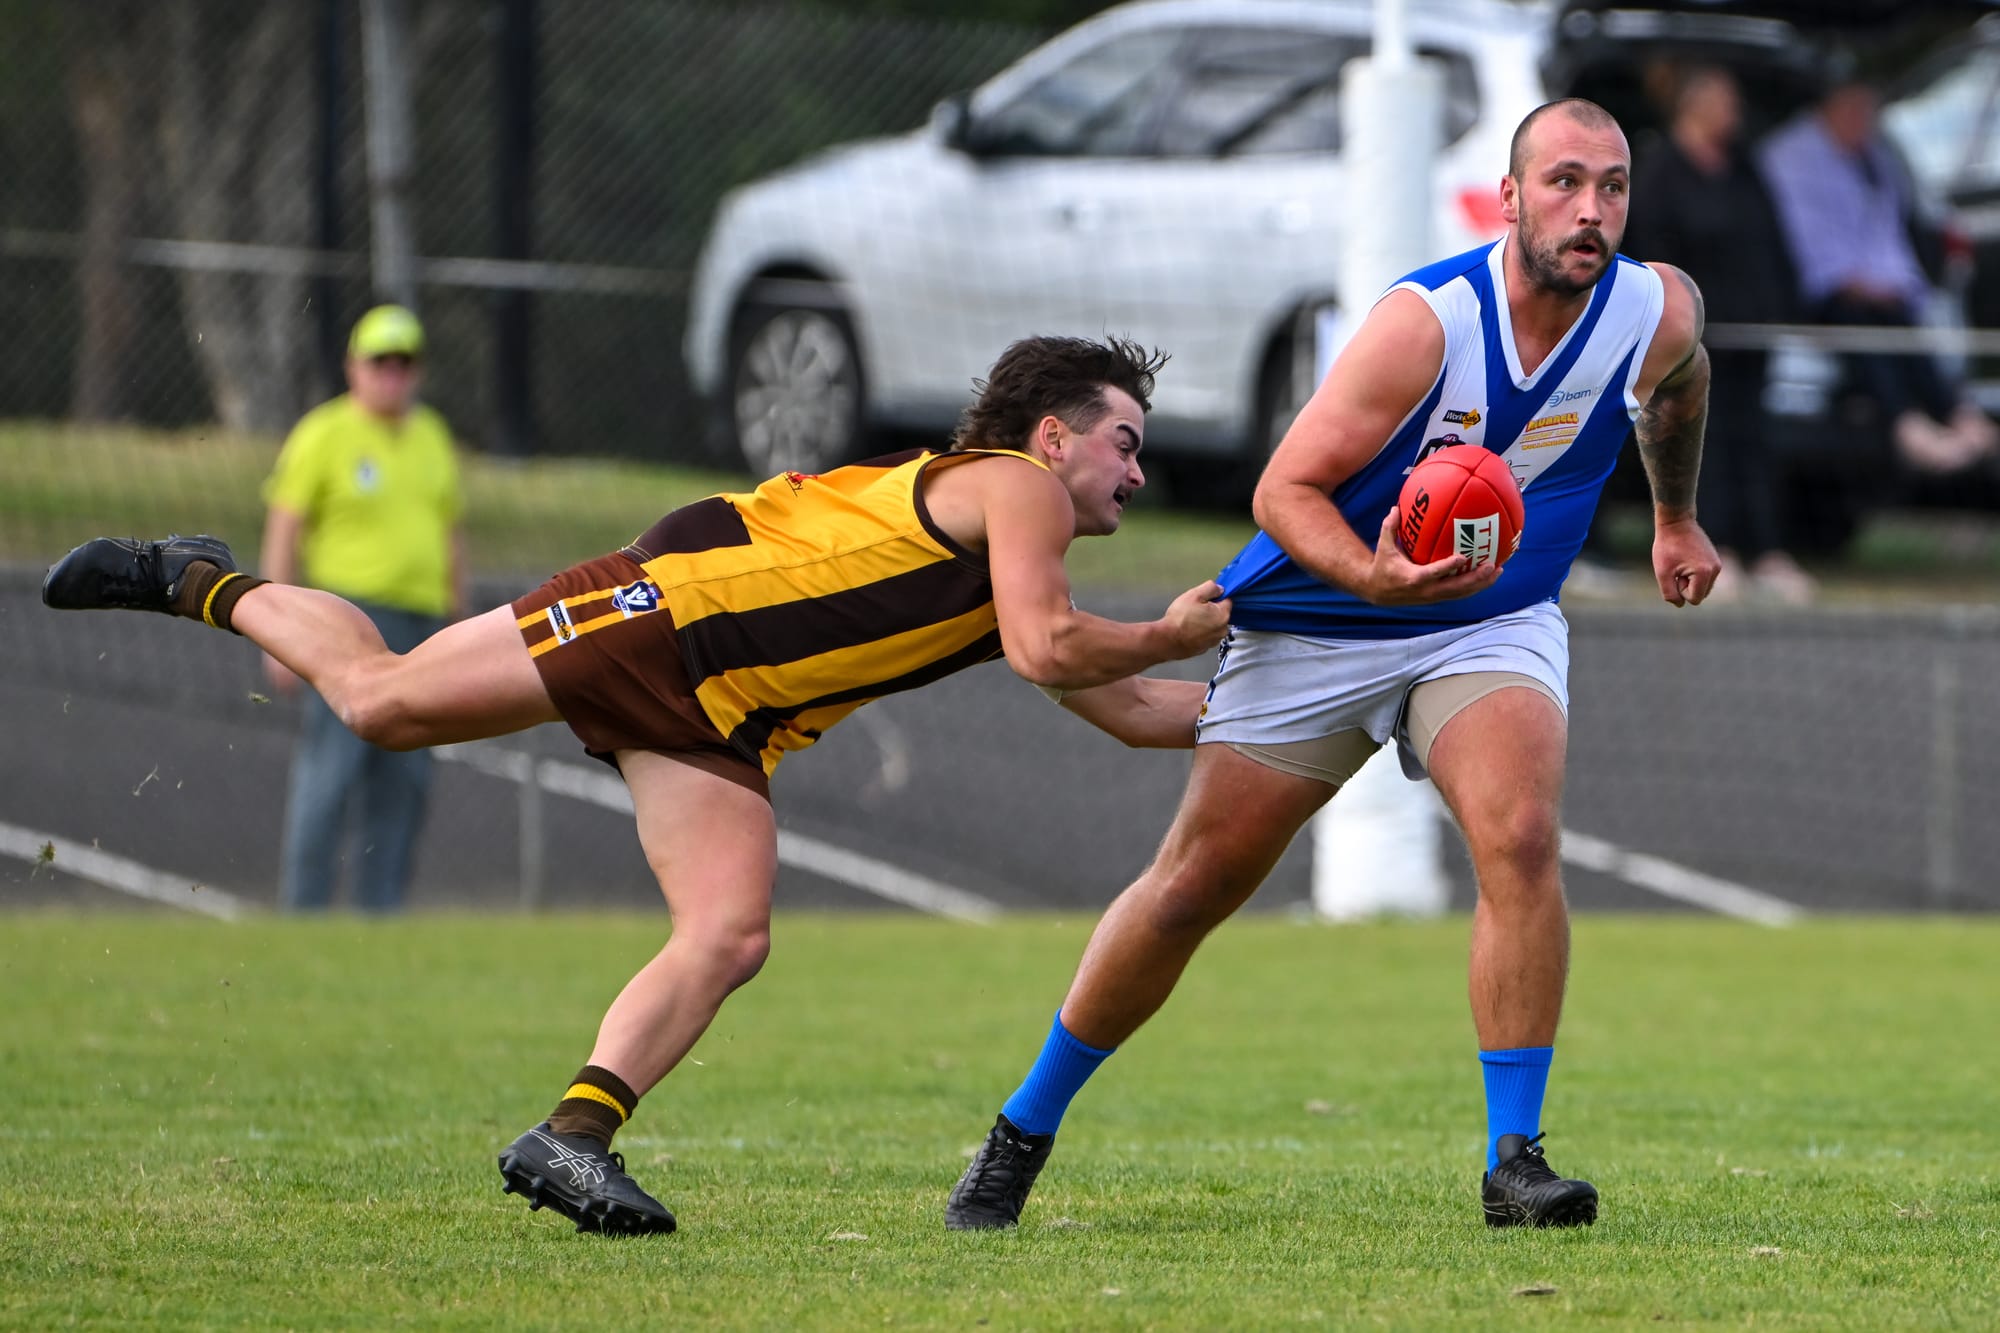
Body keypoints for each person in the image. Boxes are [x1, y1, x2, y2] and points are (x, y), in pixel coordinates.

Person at [41, 334, 1231, 1237]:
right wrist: (1173, 633)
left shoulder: (1022, 573)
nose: (1137, 468)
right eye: (1124, 440)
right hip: (657, 616)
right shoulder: (1013, 488)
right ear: (1051, 438)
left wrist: (1303, 721)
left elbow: (1131, 711)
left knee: (728, 933)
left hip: (718, 715)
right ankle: (197, 579)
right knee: (380, 702)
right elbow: (1054, 652)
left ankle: (573, 1135)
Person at [944, 99, 1720, 1233]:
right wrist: (1372, 578)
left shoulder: (1655, 309)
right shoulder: (1426, 324)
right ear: (1509, 197)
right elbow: (1282, 491)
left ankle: (1514, 1160)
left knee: (1518, 834)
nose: (1589, 209)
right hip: (1321, 617)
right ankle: (1022, 1129)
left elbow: (1681, 382)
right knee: (1193, 887)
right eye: (1563, 182)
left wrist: (1674, 518)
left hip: (1489, 620)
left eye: (1611, 186)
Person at [263, 304, 465, 913]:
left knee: (405, 777)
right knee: (331, 769)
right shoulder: (324, 434)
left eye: (405, 362)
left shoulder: (432, 436)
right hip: (347, 623)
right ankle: (304, 911)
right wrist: (275, 631)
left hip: (421, 625)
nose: (393, 374)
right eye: (381, 362)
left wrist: (460, 623)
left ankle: (380, 915)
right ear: (354, 367)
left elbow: (450, 534)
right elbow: (284, 528)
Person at [1626, 67, 1813, 605]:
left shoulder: (1745, 168)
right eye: (1725, 102)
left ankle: (1767, 549)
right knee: (1702, 439)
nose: (1735, 113)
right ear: (1695, 105)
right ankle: (1715, 545)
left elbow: (1773, 242)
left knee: (1753, 439)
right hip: (1694, 341)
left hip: (1750, 333)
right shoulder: (1660, 174)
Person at [1759, 76, 1998, 481]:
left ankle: (1955, 415)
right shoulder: (1792, 159)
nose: (1864, 123)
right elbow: (1807, 243)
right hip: (1824, 291)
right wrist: (1856, 280)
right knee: (1863, 322)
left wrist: (1890, 281)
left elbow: (1888, 232)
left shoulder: (1874, 158)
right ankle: (1907, 425)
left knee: (1900, 324)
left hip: (1875, 285)